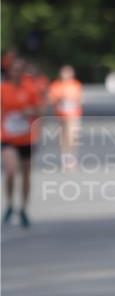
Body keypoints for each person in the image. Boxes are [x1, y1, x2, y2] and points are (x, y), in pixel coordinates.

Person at [1, 57, 41, 226]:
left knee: (25, 174)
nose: (16, 73)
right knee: (10, 171)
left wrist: (30, 111)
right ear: (10, 72)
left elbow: (40, 110)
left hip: (26, 137)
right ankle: (10, 204)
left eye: (19, 70)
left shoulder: (30, 89)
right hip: (8, 136)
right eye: (14, 70)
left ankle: (23, 207)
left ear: (23, 72)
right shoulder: (3, 89)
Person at [48, 65, 83, 170]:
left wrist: (72, 101)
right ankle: (65, 158)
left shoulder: (76, 85)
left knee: (72, 136)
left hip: (73, 114)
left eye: (67, 73)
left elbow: (80, 99)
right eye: (63, 73)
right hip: (61, 114)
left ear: (72, 74)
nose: (65, 75)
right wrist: (59, 100)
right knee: (63, 138)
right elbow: (51, 99)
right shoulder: (56, 85)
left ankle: (71, 158)